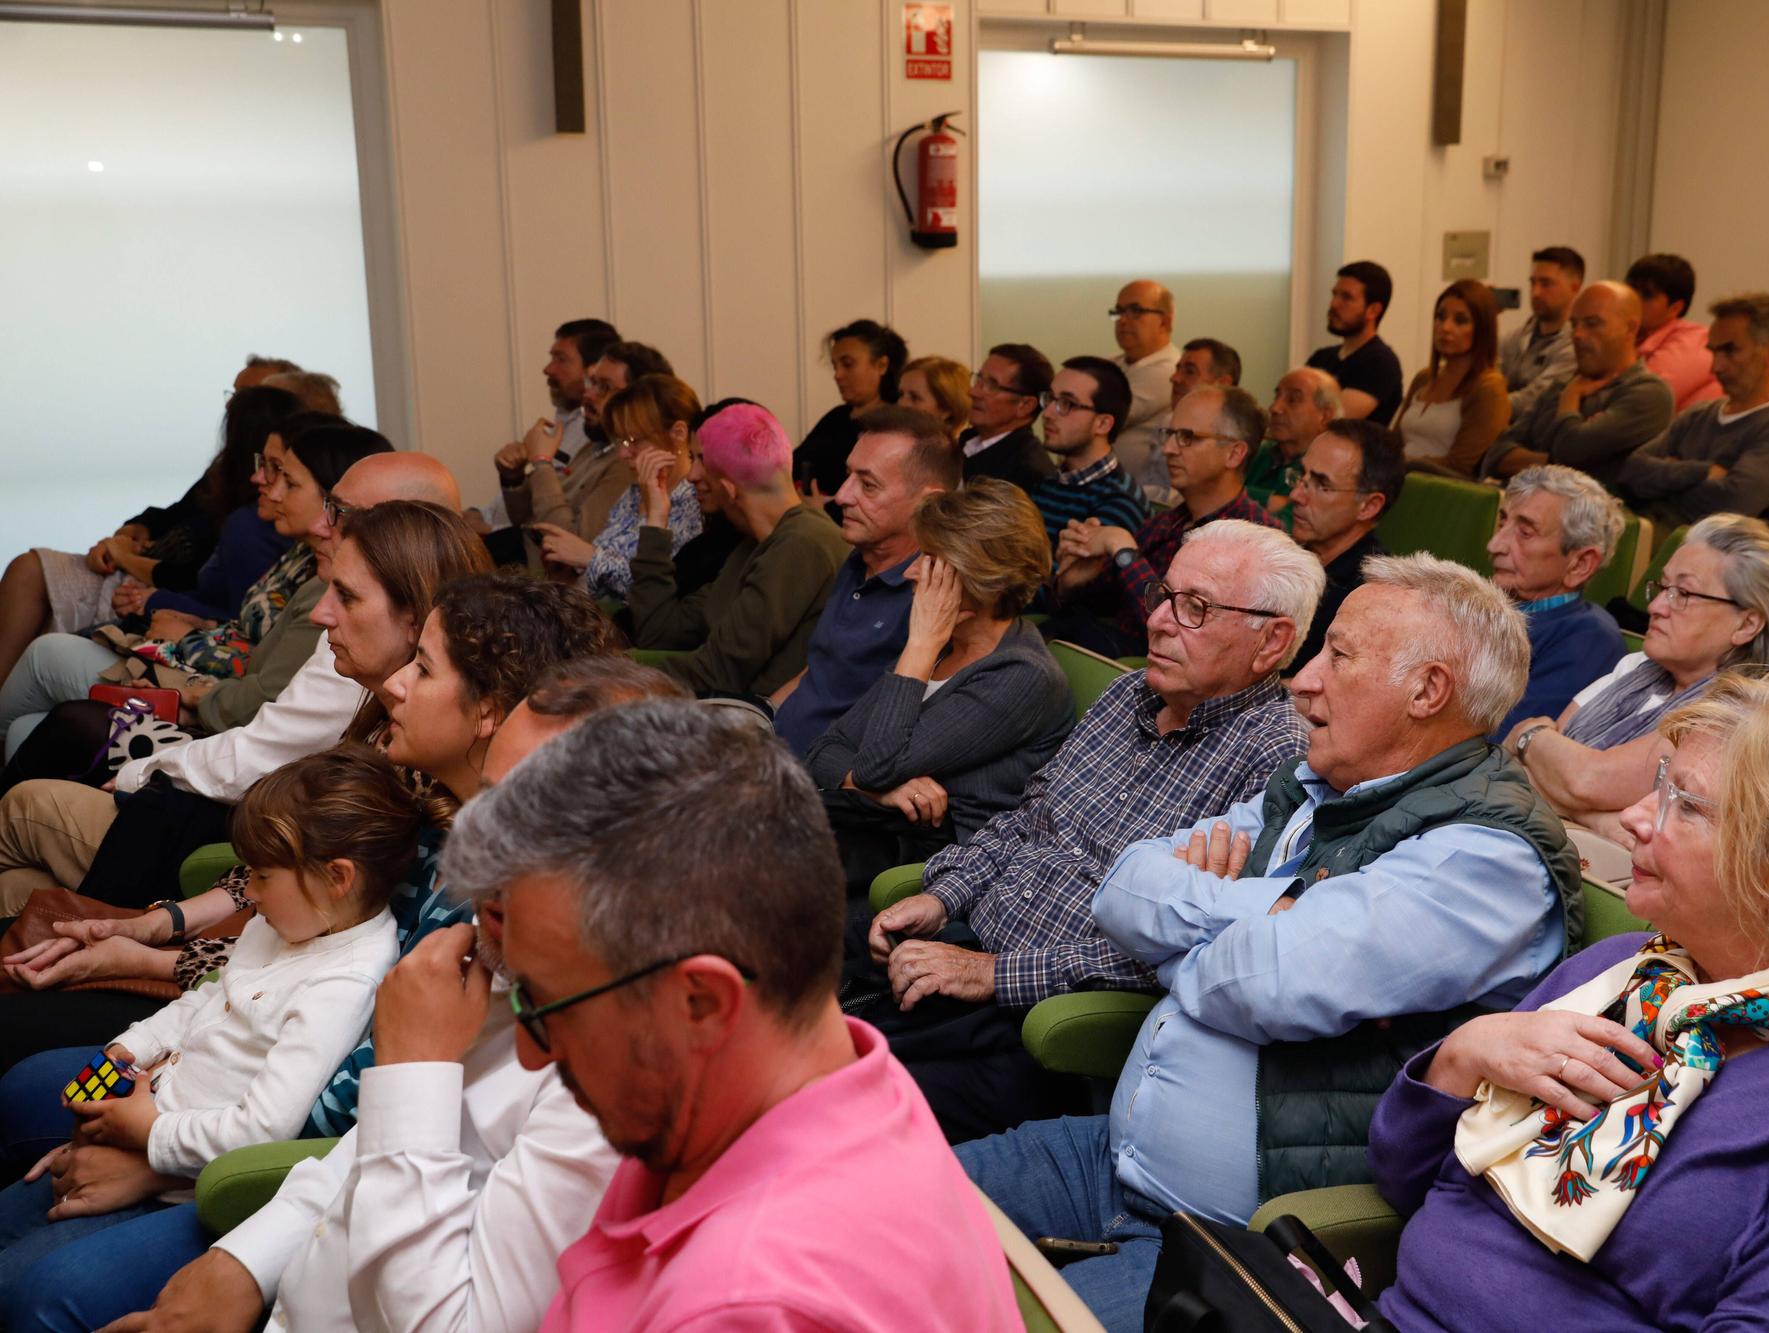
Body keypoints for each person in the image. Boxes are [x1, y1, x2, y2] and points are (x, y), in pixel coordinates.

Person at [961, 553, 1579, 1331]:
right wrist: (1280, 904)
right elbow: (1124, 887)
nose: (1302, 679)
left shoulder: (1487, 856)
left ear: (1427, 692)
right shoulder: (1317, 784)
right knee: (876, 1214)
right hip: (1106, 1158)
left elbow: (1264, 983)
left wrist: (1194, 931)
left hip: (1237, 1239)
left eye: (1339, 656)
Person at [1369, 663, 1769, 1333]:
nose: (1637, 817)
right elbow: (1402, 1179)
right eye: (1660, 782)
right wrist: (1464, 1055)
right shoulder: (1627, 970)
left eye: (1685, 803)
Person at [102, 659, 671, 1333]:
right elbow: (355, 1157)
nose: (476, 859)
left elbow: (446, 1322)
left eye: (527, 828)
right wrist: (243, 1264)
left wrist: (413, 1069)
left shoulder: (612, 1094)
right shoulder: (504, 959)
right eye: (483, 809)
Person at [0, 571, 617, 1178]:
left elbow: (362, 1095)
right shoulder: (418, 804)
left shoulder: (488, 903)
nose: (399, 681)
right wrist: (152, 949)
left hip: (274, 1145)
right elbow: (282, 932)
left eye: (423, 668)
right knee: (38, 1087)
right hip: (227, 1054)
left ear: (487, 711)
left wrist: (156, 1156)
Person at [440, 699, 1023, 1329]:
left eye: (547, 1008)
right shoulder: (798, 1085)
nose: (533, 1053)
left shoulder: (746, 1304)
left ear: (702, 1003)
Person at [859, 521, 1317, 1143]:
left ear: (1272, 642)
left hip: (1037, 1026)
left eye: (1195, 609)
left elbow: (1185, 951)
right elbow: (1028, 820)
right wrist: (944, 896)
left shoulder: (1276, 762)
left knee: (840, 1109)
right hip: (959, 960)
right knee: (798, 1051)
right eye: (1164, 595)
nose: (1156, 621)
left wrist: (992, 973)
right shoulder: (1128, 693)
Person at [0, 747, 411, 1316]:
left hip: (180, 1179)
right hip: (150, 1110)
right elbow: (206, 1000)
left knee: (25, 1286)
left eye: (263, 876)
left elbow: (263, 1128)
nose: (253, 896)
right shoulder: (283, 923)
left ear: (337, 878)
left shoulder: (345, 982)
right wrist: (132, 1046)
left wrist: (149, 1134)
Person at [0, 499, 489, 917]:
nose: (323, 614)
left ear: (415, 620)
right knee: (19, 881)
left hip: (243, 958)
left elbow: (317, 915)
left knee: (44, 756)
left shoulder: (424, 767)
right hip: (239, 920)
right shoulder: (375, 716)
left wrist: (154, 940)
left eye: (347, 597)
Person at [0, 421, 392, 759]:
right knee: (27, 728)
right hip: (208, 682)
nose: (266, 486)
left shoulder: (319, 578)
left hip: (210, 696)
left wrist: (191, 669)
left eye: (285, 478)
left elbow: (267, 697)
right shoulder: (302, 558)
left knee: (45, 655)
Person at [808, 480, 1072, 889]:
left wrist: (921, 642)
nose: (912, 571)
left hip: (939, 869)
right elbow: (826, 749)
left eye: (931, 561)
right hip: (875, 829)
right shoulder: (945, 643)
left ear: (984, 575)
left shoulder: (1022, 674)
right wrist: (879, 790)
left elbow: (875, 766)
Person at [1505, 513, 1769, 842]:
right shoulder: (1636, 666)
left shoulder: (1740, 715)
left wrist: (1529, 733)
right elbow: (1518, 772)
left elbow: (1585, 781)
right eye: (1663, 586)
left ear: (1746, 625)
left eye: (1682, 593)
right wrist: (1600, 820)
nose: (1655, 606)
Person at [0, 363, 302, 687]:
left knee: (37, 614)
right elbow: (167, 514)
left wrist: (134, 570)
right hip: (141, 574)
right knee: (27, 569)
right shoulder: (224, 473)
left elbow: (204, 588)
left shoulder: (253, 520)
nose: (228, 404)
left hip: (153, 589)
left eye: (241, 395)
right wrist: (129, 534)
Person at [628, 402, 851, 696]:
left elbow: (717, 674)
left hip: (760, 728)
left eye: (701, 461)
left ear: (729, 489)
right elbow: (660, 633)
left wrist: (608, 677)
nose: (692, 474)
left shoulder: (803, 544)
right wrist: (656, 521)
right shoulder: (754, 543)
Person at [772, 407, 959, 754]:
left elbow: (889, 740)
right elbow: (818, 673)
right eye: (848, 476)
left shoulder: (931, 596)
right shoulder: (861, 556)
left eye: (868, 485)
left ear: (928, 503)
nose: (842, 495)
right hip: (771, 751)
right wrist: (760, 716)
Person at [1044, 386, 1280, 659]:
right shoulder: (1166, 522)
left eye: (1187, 437)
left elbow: (1181, 630)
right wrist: (1071, 583)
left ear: (1234, 453)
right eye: (1169, 435)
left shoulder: (1254, 539)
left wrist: (1123, 551)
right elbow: (1107, 607)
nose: (1168, 449)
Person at [96, 385, 303, 625]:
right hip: (158, 595)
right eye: (262, 464)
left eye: (275, 468)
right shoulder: (222, 478)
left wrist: (146, 589)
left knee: (51, 647)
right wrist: (130, 532)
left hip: (176, 620)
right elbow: (172, 514)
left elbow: (238, 623)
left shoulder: (251, 526)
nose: (257, 477)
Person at [1620, 292, 1769, 527]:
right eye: (1714, 352)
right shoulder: (1699, 414)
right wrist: (1702, 472)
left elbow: (1729, 504)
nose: (1716, 366)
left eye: (1730, 351)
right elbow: (1631, 472)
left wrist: (1666, 479)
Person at [1483, 281, 1676, 488]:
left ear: (1630, 328)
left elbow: (1570, 451)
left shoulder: (1649, 393)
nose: (1577, 335)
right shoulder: (1564, 384)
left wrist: (1569, 403)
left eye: (1592, 323)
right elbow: (1495, 455)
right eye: (1574, 324)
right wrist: (1556, 463)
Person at [530, 373, 704, 602]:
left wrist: (590, 557)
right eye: (620, 441)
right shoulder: (633, 493)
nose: (623, 453)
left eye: (634, 440)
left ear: (678, 434)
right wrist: (567, 576)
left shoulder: (696, 501)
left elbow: (661, 590)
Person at [1487, 466, 1628, 739]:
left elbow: (1494, 747)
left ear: (1580, 564)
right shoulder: (1486, 605)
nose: (1494, 544)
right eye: (1502, 523)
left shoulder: (1589, 640)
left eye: (1525, 533)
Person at [499, 337, 668, 555]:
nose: (587, 394)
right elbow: (528, 521)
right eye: (592, 383)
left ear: (635, 400)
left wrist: (542, 463)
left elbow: (569, 541)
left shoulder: (628, 463)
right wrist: (513, 477)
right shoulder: (596, 446)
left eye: (604, 387)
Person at [474, 317, 620, 533]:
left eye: (561, 359)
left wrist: (541, 462)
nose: (548, 369)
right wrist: (512, 478)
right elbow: (533, 512)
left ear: (592, 370)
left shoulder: (606, 445)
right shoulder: (579, 431)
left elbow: (566, 532)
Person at [1283, 421, 1400, 674]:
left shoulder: (1372, 595)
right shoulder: (1284, 554)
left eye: (1322, 485)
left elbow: (1330, 690)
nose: (1296, 495)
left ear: (1369, 506)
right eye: (1301, 477)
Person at [1026, 355, 1147, 551]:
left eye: (1067, 404)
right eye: (1050, 399)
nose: (1047, 413)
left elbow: (1067, 578)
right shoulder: (1049, 482)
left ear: (1103, 424)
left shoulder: (1120, 500)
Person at [1394, 279, 1510, 477]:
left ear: (1482, 329)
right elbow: (1394, 441)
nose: (1445, 327)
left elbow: (1462, 465)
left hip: (1447, 491)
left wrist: (1401, 465)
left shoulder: (1488, 388)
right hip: (1398, 479)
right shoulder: (1424, 378)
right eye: (1440, 317)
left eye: (1460, 320)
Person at [793, 318, 908, 510]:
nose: (837, 375)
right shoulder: (837, 416)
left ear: (882, 365)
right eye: (835, 366)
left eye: (847, 364)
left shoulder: (896, 424)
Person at [1307, 260, 1404, 426]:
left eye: (1346, 297)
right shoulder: (1321, 357)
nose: (1334, 304)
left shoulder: (1380, 363)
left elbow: (1330, 423)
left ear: (1373, 310)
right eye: (1334, 294)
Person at [1108, 280, 1180, 500]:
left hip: (1142, 499)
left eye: (1136, 311)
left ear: (1164, 322)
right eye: (1118, 312)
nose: (1123, 320)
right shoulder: (1112, 364)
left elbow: (1102, 418)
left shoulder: (1169, 369)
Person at [1626, 252, 1722, 412]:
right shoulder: (1634, 335)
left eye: (1647, 295)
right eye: (1631, 290)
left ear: (1675, 308)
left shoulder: (1692, 340)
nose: (1633, 300)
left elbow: (1641, 403)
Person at [1498, 246, 1584, 420]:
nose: (1536, 292)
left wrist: (1482, 406)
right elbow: (1487, 379)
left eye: (1546, 284)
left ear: (1574, 288)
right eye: (1533, 283)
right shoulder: (1516, 337)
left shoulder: (1577, 344)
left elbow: (1535, 400)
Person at [959, 343, 1058, 494]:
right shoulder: (967, 441)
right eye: (979, 379)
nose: (973, 392)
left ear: (1025, 405)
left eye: (992, 385)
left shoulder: (1028, 473)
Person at [1245, 367, 1340, 516]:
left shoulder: (1331, 469)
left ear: (1325, 416)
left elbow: (1290, 528)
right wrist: (1270, 501)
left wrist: (1241, 495)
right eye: (1276, 397)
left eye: (1293, 400)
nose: (1274, 408)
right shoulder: (1258, 453)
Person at [899, 354, 973, 440]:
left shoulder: (957, 451)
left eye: (915, 397)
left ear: (946, 409)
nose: (902, 403)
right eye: (901, 394)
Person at [1169, 337, 1241, 405]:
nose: (1174, 378)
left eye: (1190, 371)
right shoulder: (1164, 416)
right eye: (1178, 369)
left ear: (1223, 384)